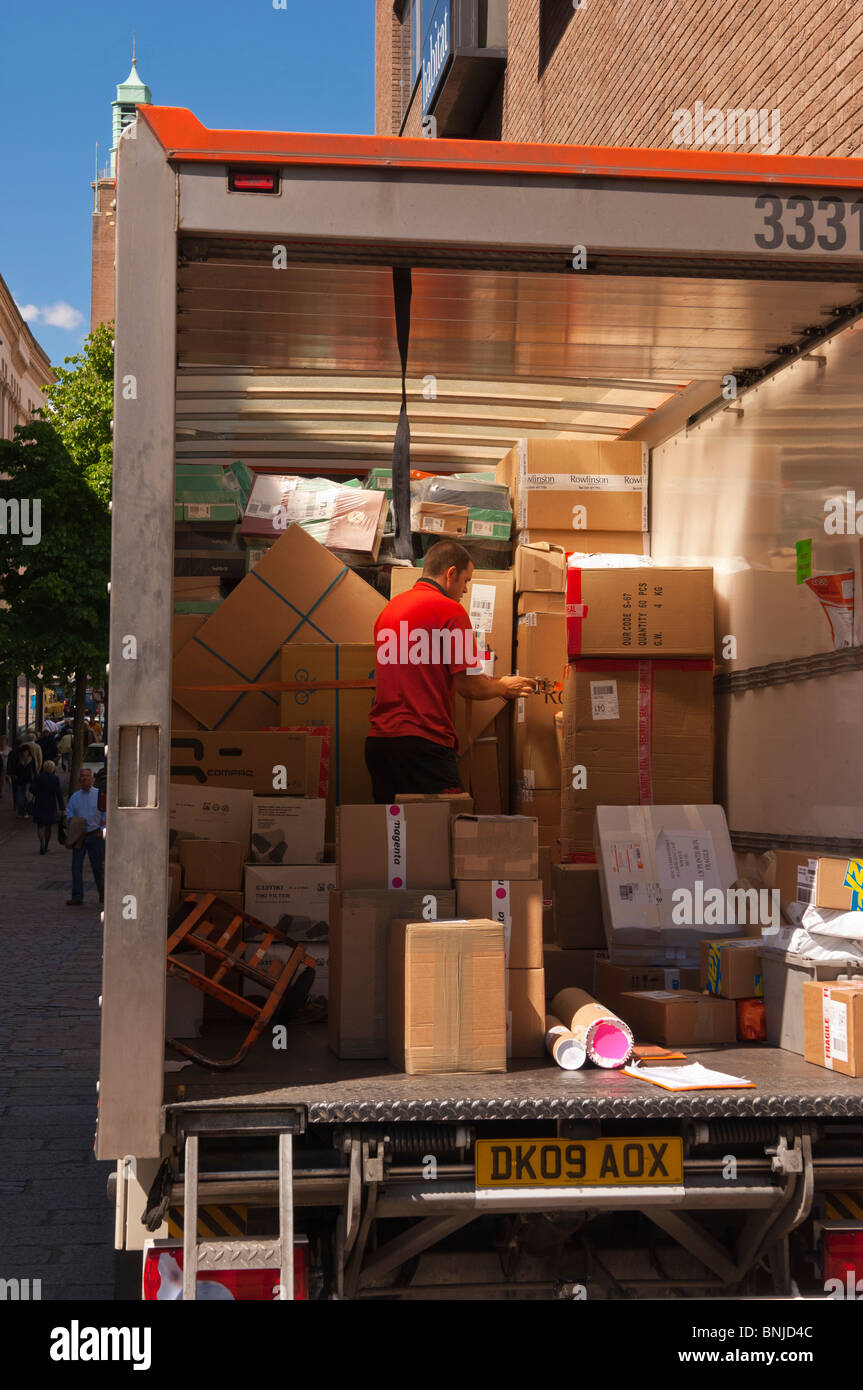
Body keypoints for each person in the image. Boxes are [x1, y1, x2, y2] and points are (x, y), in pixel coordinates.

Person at [365, 540, 536, 803]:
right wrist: (505, 686)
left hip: (380, 744)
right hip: (424, 744)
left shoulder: (389, 611)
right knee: (448, 829)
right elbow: (470, 687)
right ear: (451, 573)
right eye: (466, 581)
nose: (465, 590)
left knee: (395, 836)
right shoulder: (450, 612)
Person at [66, 766, 106, 907]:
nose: (84, 779)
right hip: (79, 836)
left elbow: (105, 813)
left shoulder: (99, 795)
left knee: (97, 867)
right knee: (76, 867)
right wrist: (72, 821)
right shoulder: (75, 797)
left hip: (95, 835)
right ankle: (77, 896)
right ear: (79, 779)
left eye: (87, 776)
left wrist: (103, 829)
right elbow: (69, 812)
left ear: (92, 779)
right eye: (82, 776)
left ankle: (103, 893)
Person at [29, 759, 66, 854]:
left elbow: (32, 789)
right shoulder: (55, 779)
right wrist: (62, 807)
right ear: (53, 769)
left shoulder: (38, 777)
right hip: (51, 804)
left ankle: (41, 842)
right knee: (48, 827)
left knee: (40, 825)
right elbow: (58, 794)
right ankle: (46, 846)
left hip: (39, 803)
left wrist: (38, 792)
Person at [11, 743, 36, 818]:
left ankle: (25, 812)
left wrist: (34, 778)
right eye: (24, 751)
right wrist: (15, 775)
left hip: (28, 780)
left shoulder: (31, 759)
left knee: (25, 796)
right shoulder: (18, 759)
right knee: (19, 797)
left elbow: (34, 770)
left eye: (26, 751)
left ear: (29, 752)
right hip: (19, 780)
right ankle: (20, 812)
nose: (25, 753)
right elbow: (15, 768)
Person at [0, 733, 9, 797]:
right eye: (2, 740)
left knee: (2, 780)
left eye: (4, 740)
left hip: (5, 766)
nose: (3, 741)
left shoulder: (9, 749)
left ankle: (1, 792)